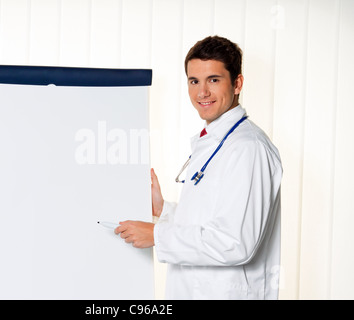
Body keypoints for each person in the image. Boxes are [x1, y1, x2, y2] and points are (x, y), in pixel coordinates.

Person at [115, 35, 282, 300]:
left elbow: (235, 243)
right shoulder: (215, 141)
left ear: (237, 83)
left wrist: (157, 235)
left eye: (213, 80)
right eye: (194, 81)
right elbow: (211, 220)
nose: (201, 92)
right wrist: (163, 210)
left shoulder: (248, 148)